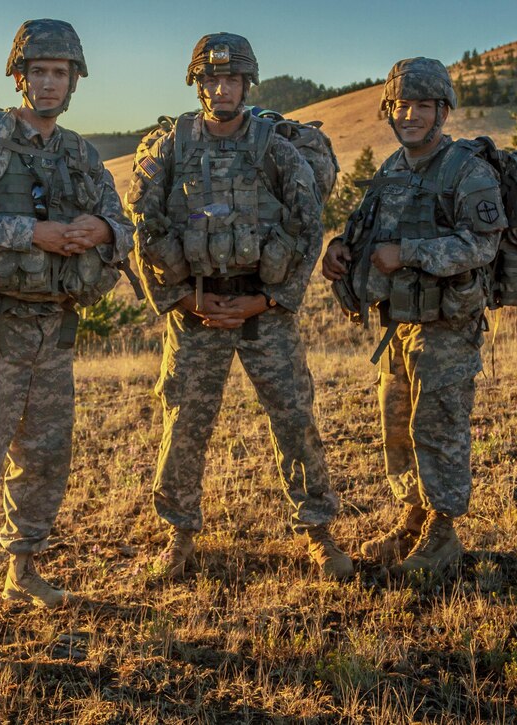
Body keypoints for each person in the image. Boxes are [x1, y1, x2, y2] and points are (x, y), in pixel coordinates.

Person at [0, 19, 133, 637]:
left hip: (52, 328)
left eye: (59, 73)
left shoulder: (79, 153)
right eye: (38, 71)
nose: (48, 83)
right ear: (20, 76)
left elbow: (122, 224)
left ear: (74, 82)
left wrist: (102, 230)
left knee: (44, 456)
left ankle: (25, 565)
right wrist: (30, 232)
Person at [125, 33, 352, 582]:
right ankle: (178, 534)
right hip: (194, 309)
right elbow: (144, 223)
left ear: (248, 83)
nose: (220, 87)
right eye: (210, 78)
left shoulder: (276, 145)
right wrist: (181, 298)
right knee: (184, 424)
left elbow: (305, 226)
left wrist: (266, 298)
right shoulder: (172, 147)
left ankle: (317, 530)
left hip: (264, 310)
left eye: (230, 78)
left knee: (294, 417)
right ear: (197, 83)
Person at [321, 57, 507, 575]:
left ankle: (442, 534)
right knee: (398, 428)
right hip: (398, 323)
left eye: (422, 106)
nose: (410, 115)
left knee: (439, 427)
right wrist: (339, 249)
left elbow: (481, 245)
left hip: (446, 329)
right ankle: (413, 519)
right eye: (401, 105)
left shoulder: (466, 170)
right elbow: (366, 230)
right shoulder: (393, 169)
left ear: (442, 111)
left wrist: (409, 254)